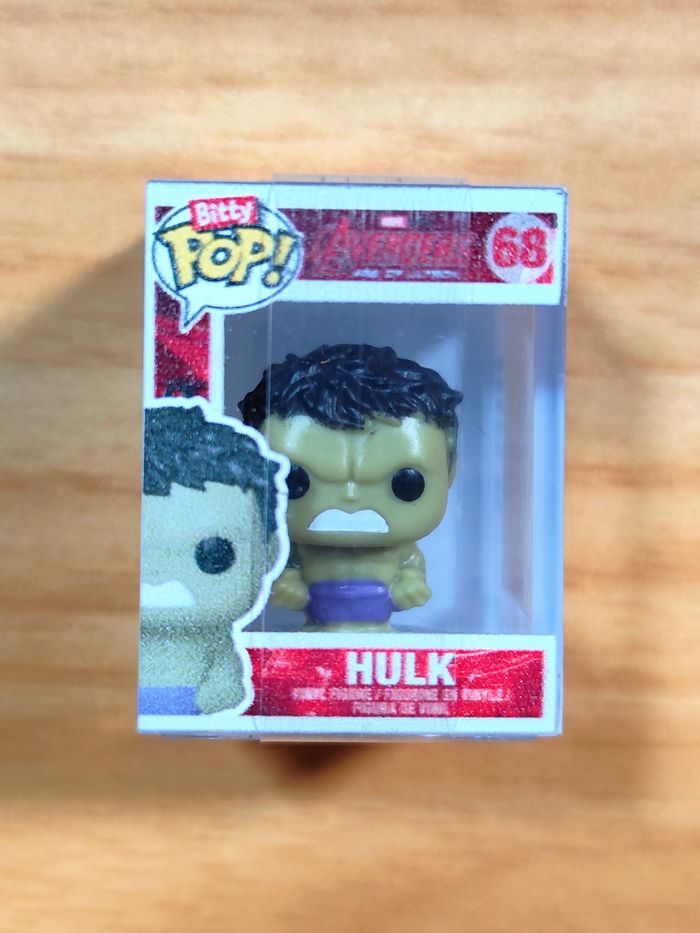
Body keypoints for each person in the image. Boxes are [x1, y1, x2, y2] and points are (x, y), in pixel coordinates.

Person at [239, 344, 462, 632]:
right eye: (295, 481)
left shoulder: (402, 551)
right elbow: (286, 570)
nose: (350, 497)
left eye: (406, 484)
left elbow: (411, 569)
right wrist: (289, 585)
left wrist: (409, 584)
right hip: (311, 637)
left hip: (380, 638)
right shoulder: (295, 550)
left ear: (449, 469)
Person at [139, 404, 283, 714]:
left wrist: (221, 690)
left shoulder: (217, 645)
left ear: (268, 554)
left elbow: (228, 684)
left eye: (213, 555)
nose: (159, 576)